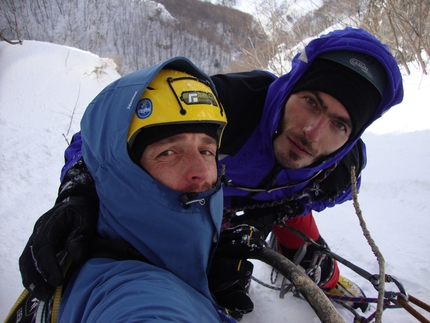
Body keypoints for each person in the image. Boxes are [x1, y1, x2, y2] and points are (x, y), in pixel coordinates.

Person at [19, 27, 404, 316]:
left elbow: (306, 201)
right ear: (290, 88)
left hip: (259, 208)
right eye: (310, 102)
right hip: (190, 202)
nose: (312, 132)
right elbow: (102, 135)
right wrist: (79, 191)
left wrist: (265, 219)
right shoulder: (229, 105)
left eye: (340, 124)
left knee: (305, 244)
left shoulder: (341, 169)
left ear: (353, 137)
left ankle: (324, 275)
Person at [28, 58, 267, 322]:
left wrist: (200, 277)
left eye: (206, 150)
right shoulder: (134, 300)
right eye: (168, 152)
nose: (201, 170)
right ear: (122, 172)